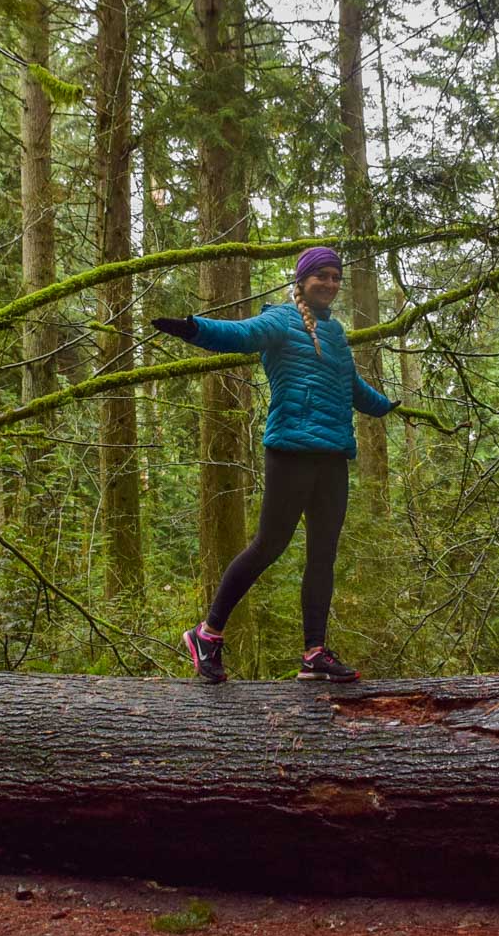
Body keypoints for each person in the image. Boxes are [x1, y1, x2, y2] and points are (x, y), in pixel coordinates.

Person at [151, 246, 399, 684]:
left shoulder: (336, 333)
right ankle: (207, 634)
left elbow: (350, 385)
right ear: (302, 280)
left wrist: (383, 406)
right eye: (321, 275)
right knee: (269, 545)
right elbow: (239, 335)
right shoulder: (281, 320)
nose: (330, 283)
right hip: (290, 450)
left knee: (323, 555)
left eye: (336, 277)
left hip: (333, 456)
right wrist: (193, 329)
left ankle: (314, 652)